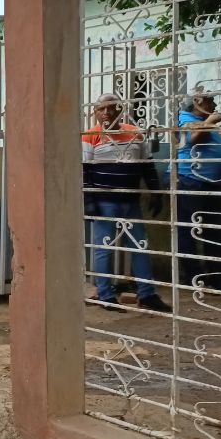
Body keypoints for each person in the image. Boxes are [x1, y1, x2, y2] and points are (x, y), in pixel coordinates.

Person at [81, 94, 172, 312]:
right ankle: (105, 295)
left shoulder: (135, 133)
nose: (107, 113)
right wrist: (89, 201)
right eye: (101, 109)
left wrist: (155, 192)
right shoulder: (90, 137)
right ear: (95, 112)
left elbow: (147, 166)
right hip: (105, 202)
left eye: (112, 108)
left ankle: (147, 294)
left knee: (140, 246)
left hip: (131, 201)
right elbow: (84, 172)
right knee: (104, 249)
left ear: (120, 110)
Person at [175, 91, 221, 291]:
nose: (214, 104)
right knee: (190, 231)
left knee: (215, 231)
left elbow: (220, 134)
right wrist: (211, 121)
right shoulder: (185, 118)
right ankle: (194, 278)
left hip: (212, 183)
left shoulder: (204, 121)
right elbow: (193, 139)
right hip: (191, 181)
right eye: (209, 101)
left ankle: (217, 277)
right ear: (196, 102)